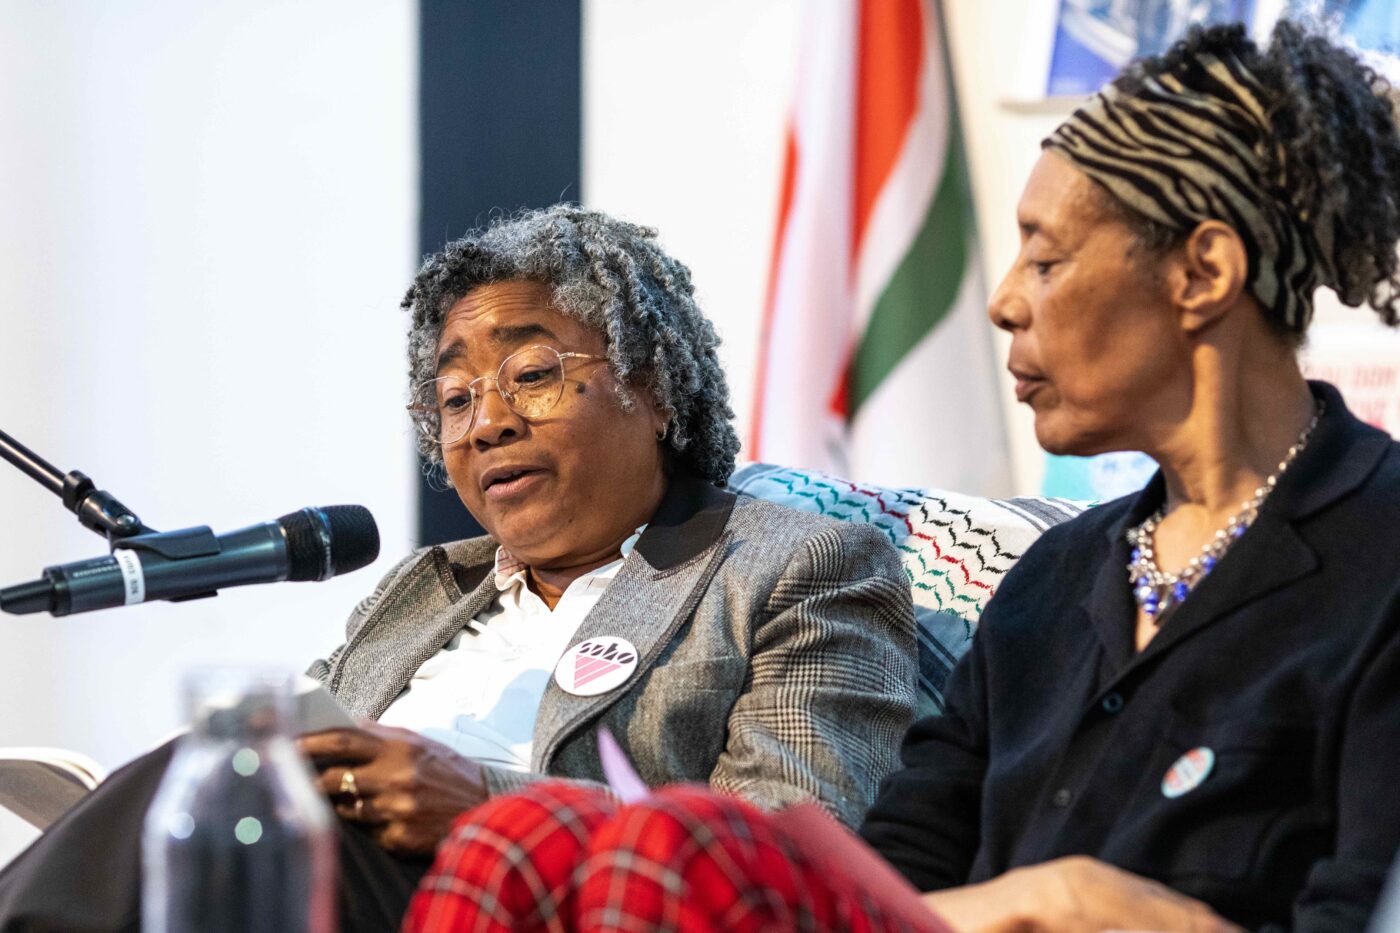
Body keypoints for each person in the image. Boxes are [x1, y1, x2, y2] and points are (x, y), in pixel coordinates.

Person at [401, 21, 1400, 933]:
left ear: (1201, 274)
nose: (1004, 301)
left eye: (1045, 262)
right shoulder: (1053, 583)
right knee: (520, 843)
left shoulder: (1378, 559)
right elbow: (889, 877)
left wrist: (1083, 905)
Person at [0, 206, 917, 932]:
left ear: (656, 389)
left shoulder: (793, 562)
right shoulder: (425, 585)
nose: (488, 422)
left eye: (531, 373)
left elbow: (801, 845)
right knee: (227, 772)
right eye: (455, 396)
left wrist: (479, 805)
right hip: (319, 898)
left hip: (517, 900)